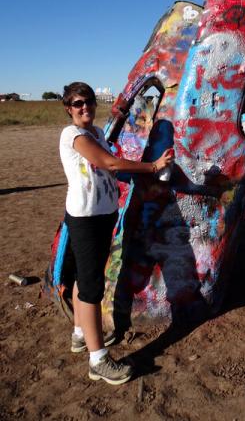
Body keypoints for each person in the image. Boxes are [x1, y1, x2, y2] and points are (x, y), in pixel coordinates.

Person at [59, 82, 173, 384]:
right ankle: (98, 361)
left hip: (103, 215)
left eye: (89, 102)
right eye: (78, 103)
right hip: (85, 219)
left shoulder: (96, 133)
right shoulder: (72, 135)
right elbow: (107, 162)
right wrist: (152, 166)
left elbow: (109, 169)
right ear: (69, 108)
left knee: (88, 275)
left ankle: (80, 334)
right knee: (91, 287)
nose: (86, 107)